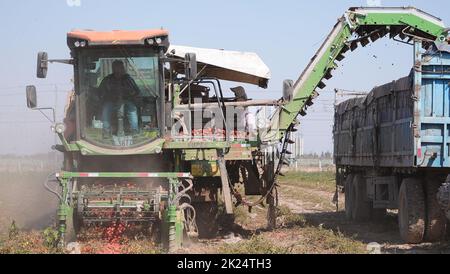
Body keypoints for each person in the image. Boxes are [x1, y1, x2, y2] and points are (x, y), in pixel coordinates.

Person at [99, 60, 141, 136]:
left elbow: (137, 91)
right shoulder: (107, 79)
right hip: (111, 101)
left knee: (132, 110)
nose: (118, 69)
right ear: (113, 68)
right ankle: (106, 131)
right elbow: (100, 91)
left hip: (126, 101)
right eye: (116, 67)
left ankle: (134, 131)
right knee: (106, 109)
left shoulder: (128, 79)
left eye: (120, 67)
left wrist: (131, 95)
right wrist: (107, 96)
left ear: (123, 68)